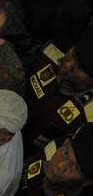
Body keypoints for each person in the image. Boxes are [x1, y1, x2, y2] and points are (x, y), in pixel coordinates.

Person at [22, 25, 93, 156]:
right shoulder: (51, 52)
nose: (67, 64)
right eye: (73, 54)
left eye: (81, 69)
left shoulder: (88, 118)